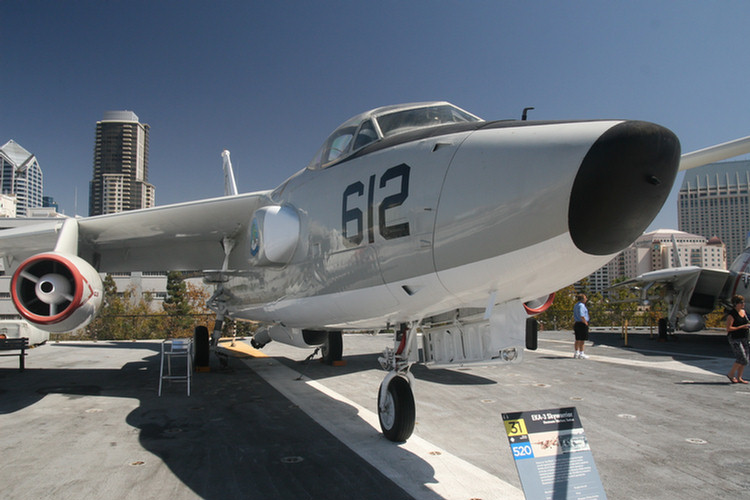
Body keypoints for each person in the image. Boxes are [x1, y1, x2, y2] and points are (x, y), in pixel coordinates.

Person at [726, 294, 750, 384]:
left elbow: (746, 322)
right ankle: (731, 374)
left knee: (746, 359)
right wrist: (742, 327)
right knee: (741, 358)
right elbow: (729, 328)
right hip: (735, 338)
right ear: (736, 304)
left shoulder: (743, 312)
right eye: (741, 302)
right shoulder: (731, 315)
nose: (743, 304)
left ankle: (739, 377)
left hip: (744, 337)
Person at [573, 293, 590, 359]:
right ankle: (581, 353)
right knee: (582, 340)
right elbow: (582, 315)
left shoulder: (576, 305)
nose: (586, 299)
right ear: (582, 299)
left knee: (577, 339)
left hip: (577, 323)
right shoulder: (582, 306)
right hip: (581, 323)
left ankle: (576, 352)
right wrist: (585, 322)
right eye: (585, 298)